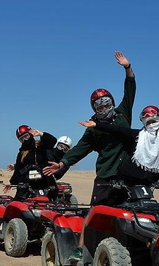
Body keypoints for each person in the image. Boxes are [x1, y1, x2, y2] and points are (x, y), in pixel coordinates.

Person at [43, 51, 136, 206]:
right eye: (100, 107)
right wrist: (62, 164)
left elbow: (130, 91)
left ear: (112, 102)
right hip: (106, 174)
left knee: (132, 213)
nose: (105, 108)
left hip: (128, 173)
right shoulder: (93, 128)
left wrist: (127, 68)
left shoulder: (123, 114)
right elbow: (80, 148)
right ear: (94, 109)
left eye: (107, 104)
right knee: (97, 214)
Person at [78, 105, 159, 185]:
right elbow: (117, 129)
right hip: (127, 179)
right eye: (148, 122)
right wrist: (96, 125)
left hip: (146, 182)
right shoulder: (139, 135)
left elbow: (158, 162)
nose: (151, 125)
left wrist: (157, 177)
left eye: (153, 122)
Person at [5, 126, 58, 200]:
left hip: (45, 181)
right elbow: (18, 170)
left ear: (30, 134)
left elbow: (53, 141)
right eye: (22, 139)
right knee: (18, 202)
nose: (25, 139)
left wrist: (41, 134)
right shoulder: (22, 153)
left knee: (54, 201)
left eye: (26, 136)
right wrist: (11, 183)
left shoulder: (40, 146)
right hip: (27, 184)